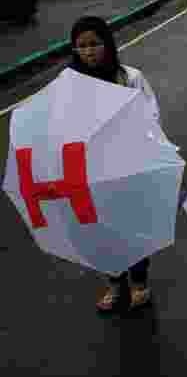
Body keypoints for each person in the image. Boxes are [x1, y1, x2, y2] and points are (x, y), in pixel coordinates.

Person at [69, 16, 164, 313]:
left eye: (95, 43)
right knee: (101, 230)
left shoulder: (130, 77)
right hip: (90, 171)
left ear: (108, 44)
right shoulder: (70, 84)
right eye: (82, 46)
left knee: (132, 227)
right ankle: (113, 282)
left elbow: (151, 115)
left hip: (128, 166)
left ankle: (138, 282)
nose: (88, 51)